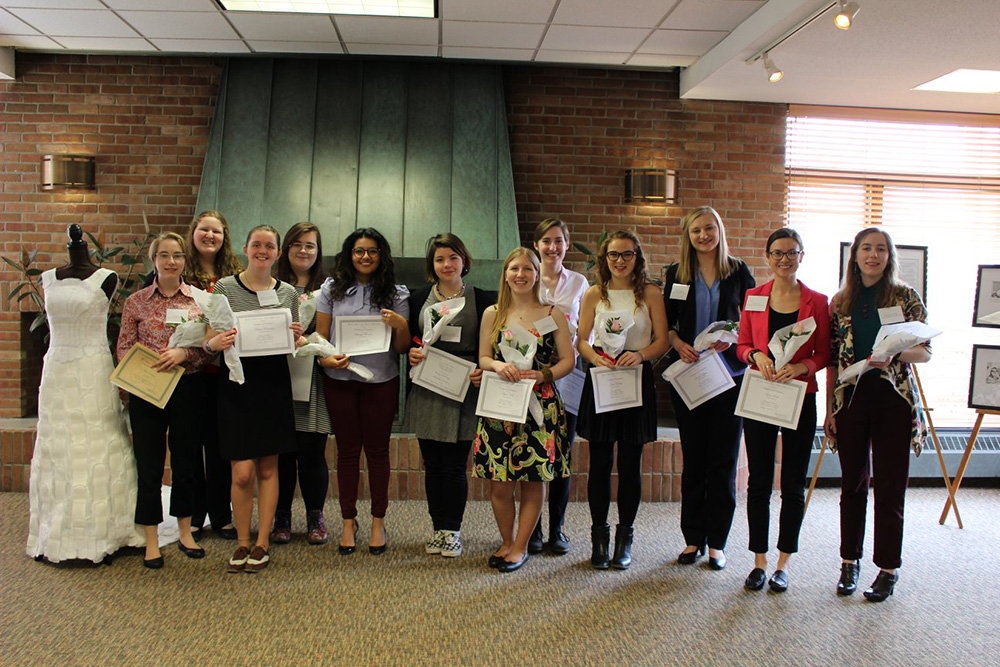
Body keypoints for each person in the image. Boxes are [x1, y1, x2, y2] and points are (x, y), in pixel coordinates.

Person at [824, 227, 931, 602]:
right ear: (854, 255)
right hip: (852, 399)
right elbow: (833, 361)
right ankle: (849, 562)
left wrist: (895, 353)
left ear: (890, 256)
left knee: (889, 487)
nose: (873, 255)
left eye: (881, 249)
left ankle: (887, 568)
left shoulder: (905, 297)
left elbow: (925, 351)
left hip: (893, 400)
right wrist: (830, 409)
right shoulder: (840, 301)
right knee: (852, 484)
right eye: (866, 249)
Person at [27, 224, 144, 563]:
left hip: (92, 368)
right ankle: (56, 528)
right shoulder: (47, 278)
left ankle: (106, 528)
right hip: (57, 370)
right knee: (58, 442)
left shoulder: (107, 278)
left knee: (96, 439)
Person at [735, 228, 830, 592]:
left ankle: (783, 562)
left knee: (792, 482)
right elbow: (742, 344)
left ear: (801, 256)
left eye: (792, 253)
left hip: (798, 396)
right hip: (760, 394)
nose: (784, 259)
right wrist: (755, 355)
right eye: (777, 253)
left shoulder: (817, 302)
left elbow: (823, 352)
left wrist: (802, 367)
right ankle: (758, 561)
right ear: (768, 257)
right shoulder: (754, 296)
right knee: (759, 480)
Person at [205, 225, 303, 573]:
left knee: (267, 466)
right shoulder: (224, 288)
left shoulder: (289, 292)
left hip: (273, 385)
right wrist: (214, 343)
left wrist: (296, 336)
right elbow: (210, 335)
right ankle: (241, 541)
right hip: (237, 384)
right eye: (257, 244)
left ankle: (260, 543)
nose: (263, 250)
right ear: (246, 249)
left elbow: (294, 342)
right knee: (242, 472)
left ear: (277, 253)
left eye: (270, 246)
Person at [664, 206, 755, 571]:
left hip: (728, 377)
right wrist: (677, 342)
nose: (703, 235)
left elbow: (751, 320)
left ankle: (717, 542)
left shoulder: (739, 270)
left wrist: (731, 339)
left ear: (719, 230)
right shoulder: (676, 273)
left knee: (723, 461)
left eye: (709, 228)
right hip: (689, 375)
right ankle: (692, 538)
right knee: (695, 460)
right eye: (696, 230)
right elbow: (667, 323)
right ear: (688, 235)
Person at [473, 247, 574, 573]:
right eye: (514, 268)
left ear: (536, 273)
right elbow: (483, 358)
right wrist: (498, 366)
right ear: (505, 274)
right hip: (500, 406)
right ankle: (506, 540)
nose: (520, 274)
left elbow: (568, 361)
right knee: (499, 483)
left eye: (527, 269)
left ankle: (520, 547)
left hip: (540, 407)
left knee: (533, 480)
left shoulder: (551, 314)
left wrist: (543, 375)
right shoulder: (493, 313)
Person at [117, 232, 211, 568]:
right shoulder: (136, 302)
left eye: (178, 255)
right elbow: (124, 348)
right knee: (150, 465)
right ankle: (151, 539)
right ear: (153, 260)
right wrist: (144, 368)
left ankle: (185, 531)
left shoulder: (199, 302)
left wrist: (182, 353)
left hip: (187, 388)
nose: (171, 261)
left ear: (185, 260)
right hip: (147, 390)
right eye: (164, 255)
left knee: (186, 461)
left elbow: (207, 349)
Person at [576, 230, 670, 570]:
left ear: (637, 258)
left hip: (635, 377)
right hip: (602, 377)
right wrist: (593, 357)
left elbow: (662, 340)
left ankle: (624, 540)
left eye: (627, 254)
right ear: (604, 258)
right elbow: (581, 340)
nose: (620, 260)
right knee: (599, 463)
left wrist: (641, 355)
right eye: (614, 254)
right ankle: (598, 540)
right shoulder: (593, 295)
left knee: (631, 465)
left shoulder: (650, 293)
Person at [315, 228, 410, 556]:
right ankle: (347, 521)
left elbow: (401, 347)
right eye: (359, 251)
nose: (365, 257)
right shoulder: (331, 289)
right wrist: (327, 357)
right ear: (349, 254)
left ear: (382, 255)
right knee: (347, 452)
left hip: (381, 381)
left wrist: (401, 325)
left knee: (378, 452)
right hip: (339, 379)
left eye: (372, 251)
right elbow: (321, 336)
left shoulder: (397, 293)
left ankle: (378, 521)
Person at [407, 233, 496, 559]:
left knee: (456, 467)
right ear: (432, 265)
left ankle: (452, 531)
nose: (447, 264)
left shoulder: (483, 299)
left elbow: (492, 344)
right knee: (432, 465)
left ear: (464, 261)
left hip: (464, 391)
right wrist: (412, 354)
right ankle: (437, 529)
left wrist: (482, 368)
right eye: (440, 259)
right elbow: (408, 340)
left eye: (453, 257)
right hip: (428, 388)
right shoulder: (417, 298)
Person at [270, 222, 332, 546]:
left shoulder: (329, 288)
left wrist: (309, 340)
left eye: (310, 245)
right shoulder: (271, 286)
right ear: (285, 250)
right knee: (281, 452)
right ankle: (281, 515)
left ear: (318, 251)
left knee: (312, 452)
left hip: (314, 379)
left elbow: (333, 332)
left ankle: (315, 516)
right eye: (297, 244)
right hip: (278, 378)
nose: (303, 251)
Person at [529, 218, 588, 555]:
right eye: (546, 241)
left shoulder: (579, 282)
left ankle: (558, 529)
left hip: (569, 374)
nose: (552, 247)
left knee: (563, 452)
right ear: (536, 244)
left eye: (558, 241)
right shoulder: (527, 279)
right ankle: (533, 529)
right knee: (535, 449)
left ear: (567, 244)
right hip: (532, 376)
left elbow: (587, 327)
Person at [183, 210, 243, 540]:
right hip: (190, 372)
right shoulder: (180, 272)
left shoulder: (233, 275)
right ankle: (194, 511)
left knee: (220, 446)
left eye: (216, 232)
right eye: (204, 230)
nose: (210, 236)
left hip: (223, 374)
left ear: (224, 237)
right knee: (191, 443)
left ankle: (221, 513)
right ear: (194, 233)